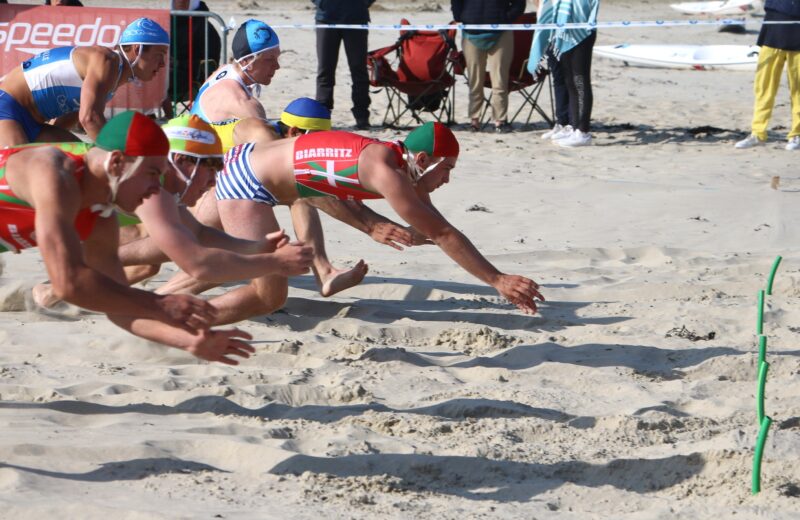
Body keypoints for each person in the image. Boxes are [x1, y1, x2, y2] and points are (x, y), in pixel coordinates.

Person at [202, 121, 544, 325]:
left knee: (168, 251)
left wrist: (412, 230)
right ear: (423, 160)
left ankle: (158, 310)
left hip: (247, 161)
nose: (447, 180)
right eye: (447, 170)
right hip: (249, 185)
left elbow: (436, 226)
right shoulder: (386, 171)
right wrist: (497, 280)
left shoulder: (394, 159)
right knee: (269, 296)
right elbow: (442, 233)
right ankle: (185, 323)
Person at [0, 111, 254, 365]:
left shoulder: (101, 217)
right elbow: (70, 283)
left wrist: (188, 341)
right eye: (153, 174)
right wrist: (160, 304)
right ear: (117, 163)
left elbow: (118, 311)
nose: (158, 189)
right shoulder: (53, 173)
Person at [168, 98, 425, 299]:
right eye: (314, 141)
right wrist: (370, 225)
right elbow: (317, 194)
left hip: (215, 183)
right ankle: (155, 303)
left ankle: (323, 272)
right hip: (190, 184)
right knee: (210, 258)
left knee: (219, 257)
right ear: (293, 130)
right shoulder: (262, 136)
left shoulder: (278, 141)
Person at [0, 17, 169, 147]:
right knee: (17, 173)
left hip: (32, 122)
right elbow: (89, 118)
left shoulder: (112, 77)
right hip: (7, 107)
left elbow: (69, 119)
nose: (163, 64)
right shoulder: (107, 61)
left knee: (79, 159)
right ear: (137, 49)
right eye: (160, 55)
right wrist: (123, 155)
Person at [190, 19, 282, 151]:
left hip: (191, 146)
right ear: (246, 62)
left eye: (277, 58)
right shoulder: (243, 103)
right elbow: (272, 151)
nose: (277, 66)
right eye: (269, 60)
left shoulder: (224, 70)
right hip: (201, 163)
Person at [529, 0, 599, 147]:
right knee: (569, 80)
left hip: (582, 31)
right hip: (562, 32)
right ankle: (573, 127)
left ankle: (583, 131)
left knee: (580, 80)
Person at [451, 0, 526, 133]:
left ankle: (500, 121)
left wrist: (505, 18)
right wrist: (461, 16)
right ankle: (474, 120)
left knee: (500, 80)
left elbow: (519, 4)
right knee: (475, 81)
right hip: (471, 33)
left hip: (501, 33)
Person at [734, 0, 800, 151]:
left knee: (798, 89)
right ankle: (757, 133)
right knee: (764, 86)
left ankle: (797, 134)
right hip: (774, 21)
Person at [312, 0, 374, 130]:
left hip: (356, 19)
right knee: (325, 70)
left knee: (359, 70)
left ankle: (362, 117)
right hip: (326, 19)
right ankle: (323, 116)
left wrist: (362, 3)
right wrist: (321, 3)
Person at [162, 0, 222, 119]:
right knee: (147, 74)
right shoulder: (165, 23)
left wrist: (178, 64)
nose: (180, 2)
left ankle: (168, 118)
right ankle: (153, 116)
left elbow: (210, 62)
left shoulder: (205, 28)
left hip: (191, 78)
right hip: (166, 71)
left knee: (159, 78)